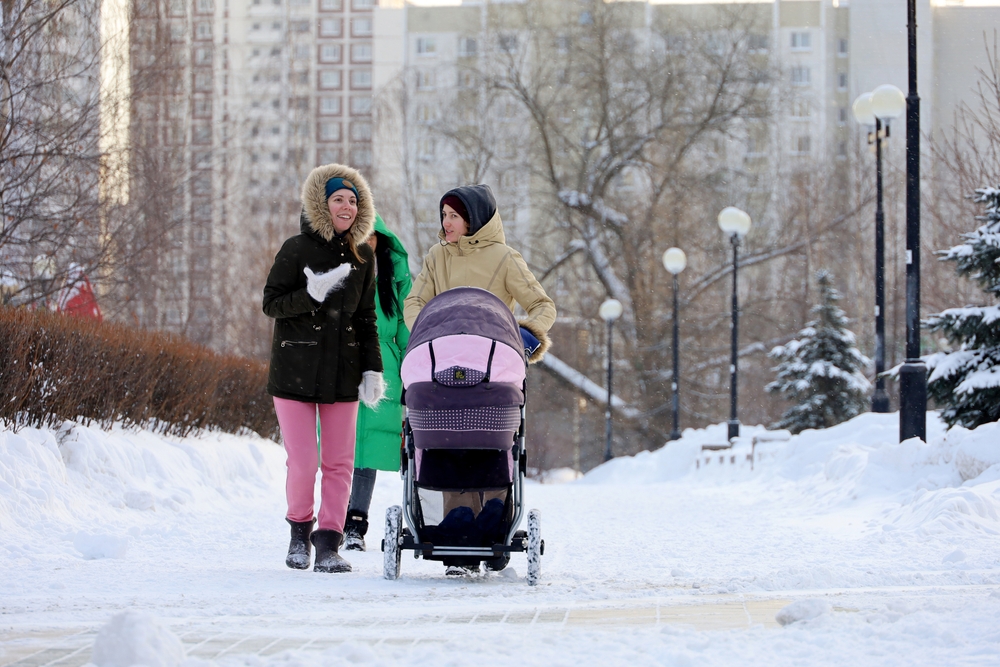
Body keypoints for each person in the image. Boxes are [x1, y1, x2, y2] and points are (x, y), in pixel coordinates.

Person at [403, 184, 556, 574]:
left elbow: (542, 304)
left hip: (491, 366)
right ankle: (457, 534)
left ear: (474, 219)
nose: (446, 223)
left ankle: (490, 523)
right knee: (448, 443)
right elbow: (415, 301)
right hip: (443, 365)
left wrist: (526, 333)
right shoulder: (438, 257)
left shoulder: (504, 258)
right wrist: (424, 330)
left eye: (454, 215)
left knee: (488, 445)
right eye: (443, 215)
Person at [262, 163, 385, 574]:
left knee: (338, 463)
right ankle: (299, 536)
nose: (347, 207)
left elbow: (366, 318)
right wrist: (308, 294)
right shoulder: (295, 249)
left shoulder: (364, 256)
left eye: (353, 200)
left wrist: (373, 370)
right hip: (294, 370)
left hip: (344, 374)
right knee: (304, 461)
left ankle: (329, 544)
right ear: (322, 204)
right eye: (338, 199)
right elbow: (271, 304)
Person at [342, 214, 412, 552]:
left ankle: (355, 523)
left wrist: (411, 368)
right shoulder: (343, 273)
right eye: (361, 236)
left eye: (373, 237)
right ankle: (331, 519)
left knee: (367, 448)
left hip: (383, 370)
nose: (368, 242)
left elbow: (405, 328)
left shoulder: (393, 284)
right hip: (344, 366)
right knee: (341, 446)